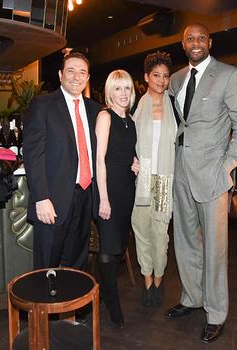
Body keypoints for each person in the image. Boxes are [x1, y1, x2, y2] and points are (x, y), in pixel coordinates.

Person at [164, 23, 237, 342]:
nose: (196, 42)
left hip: (213, 177)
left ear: (210, 42)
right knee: (185, 242)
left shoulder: (229, 76)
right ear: (183, 44)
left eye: (201, 37)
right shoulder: (175, 80)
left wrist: (225, 168)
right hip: (181, 174)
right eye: (190, 38)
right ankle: (192, 298)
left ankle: (216, 313)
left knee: (215, 249)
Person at [23, 52, 101, 270]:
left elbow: (104, 151)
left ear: (87, 78)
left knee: (77, 264)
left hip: (86, 198)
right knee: (47, 265)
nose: (77, 77)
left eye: (82, 72)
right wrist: (41, 197)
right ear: (60, 75)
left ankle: (71, 305)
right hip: (53, 201)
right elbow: (33, 154)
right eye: (71, 71)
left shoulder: (95, 110)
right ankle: (46, 304)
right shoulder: (43, 105)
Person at [131, 51, 177, 308]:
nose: (161, 80)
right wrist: (132, 161)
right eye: (156, 75)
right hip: (143, 178)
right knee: (141, 230)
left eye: (165, 76)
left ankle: (159, 281)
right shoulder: (140, 106)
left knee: (160, 233)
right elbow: (128, 142)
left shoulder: (175, 105)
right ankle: (147, 280)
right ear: (147, 77)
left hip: (164, 179)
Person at [95, 69, 137, 328]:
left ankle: (103, 294)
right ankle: (112, 303)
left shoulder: (130, 120)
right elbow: (100, 160)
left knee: (119, 247)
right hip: (108, 189)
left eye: (127, 89)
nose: (123, 94)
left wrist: (136, 163)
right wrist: (103, 199)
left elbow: (126, 152)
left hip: (126, 190)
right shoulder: (105, 116)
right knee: (108, 251)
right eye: (118, 89)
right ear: (110, 92)